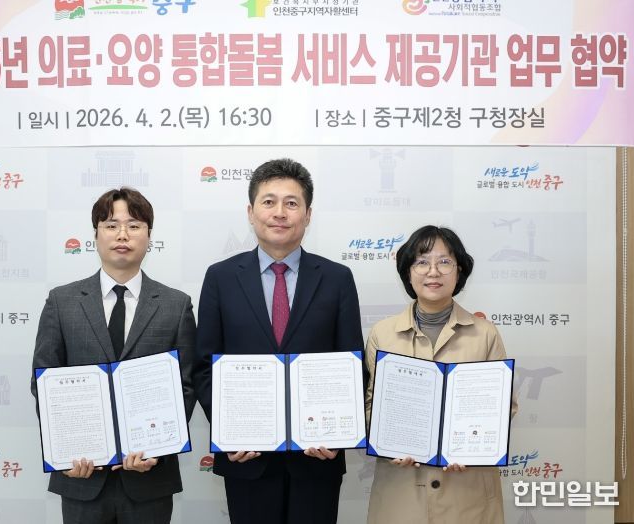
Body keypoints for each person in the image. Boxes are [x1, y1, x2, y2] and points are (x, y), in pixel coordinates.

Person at [193, 158, 364, 524]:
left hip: (317, 457)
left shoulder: (337, 279)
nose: (280, 213)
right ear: (251, 212)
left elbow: (351, 364)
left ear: (308, 214)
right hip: (247, 457)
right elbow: (204, 366)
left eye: (291, 203)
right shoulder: (221, 278)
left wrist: (337, 435)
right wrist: (228, 431)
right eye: (269, 202)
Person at [31, 187, 196, 524]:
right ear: (96, 234)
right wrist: (66, 450)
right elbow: (43, 382)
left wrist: (158, 449)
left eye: (134, 225)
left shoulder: (176, 305)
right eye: (111, 225)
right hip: (81, 477)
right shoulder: (62, 302)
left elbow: (186, 386)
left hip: (150, 478)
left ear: (149, 236)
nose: (123, 234)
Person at [364, 225, 518, 524]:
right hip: (402, 491)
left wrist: (472, 448)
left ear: (459, 271)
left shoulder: (485, 333)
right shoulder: (383, 333)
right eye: (422, 262)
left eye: (444, 261)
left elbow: (504, 407)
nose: (433, 271)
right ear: (408, 272)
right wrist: (387, 442)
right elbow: (370, 404)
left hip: (467, 492)